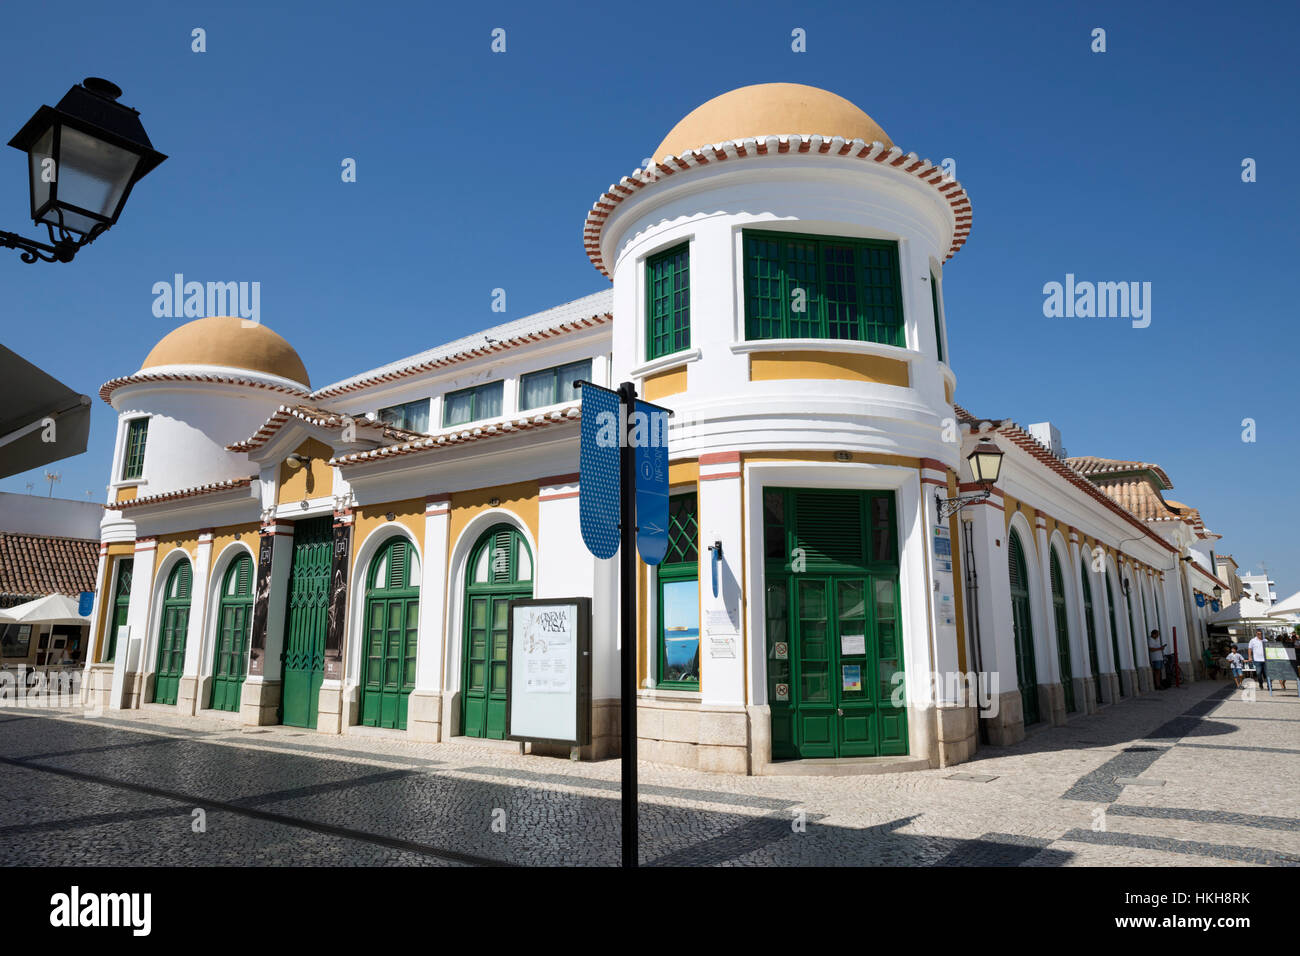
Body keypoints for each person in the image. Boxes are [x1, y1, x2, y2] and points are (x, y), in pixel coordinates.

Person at [1248, 629, 1271, 694]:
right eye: (1258, 634)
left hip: (1265, 660)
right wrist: (1250, 657)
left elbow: (1268, 649)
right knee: (1258, 674)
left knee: (1267, 674)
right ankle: (1261, 684)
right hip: (1257, 660)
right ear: (1256, 634)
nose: (1259, 635)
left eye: (1260, 633)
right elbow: (1249, 649)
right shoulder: (1252, 641)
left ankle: (1269, 686)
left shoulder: (1265, 640)